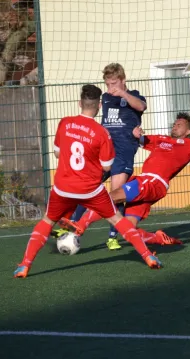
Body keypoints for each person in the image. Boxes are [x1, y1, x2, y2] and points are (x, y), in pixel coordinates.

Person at [13, 85, 161, 279]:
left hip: (63, 187)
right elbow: (107, 166)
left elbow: (57, 153)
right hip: (90, 190)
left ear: (79, 103)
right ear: (99, 106)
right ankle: (148, 256)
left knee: (47, 221)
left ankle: (24, 265)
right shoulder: (102, 133)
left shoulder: (65, 123)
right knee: (117, 219)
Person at [59, 112, 190, 241]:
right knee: (128, 231)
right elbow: (139, 139)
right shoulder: (161, 139)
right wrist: (136, 133)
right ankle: (158, 238)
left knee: (110, 197)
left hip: (153, 182)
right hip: (146, 183)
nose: (175, 125)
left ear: (188, 131)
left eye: (180, 124)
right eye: (175, 123)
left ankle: (80, 226)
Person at [57, 63, 147, 251]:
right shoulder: (105, 98)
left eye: (114, 83)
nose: (110, 88)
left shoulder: (134, 95)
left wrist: (123, 94)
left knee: (116, 193)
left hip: (123, 151)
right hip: (104, 150)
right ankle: (72, 226)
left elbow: (141, 106)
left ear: (123, 80)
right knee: (87, 187)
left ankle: (112, 237)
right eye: (107, 84)